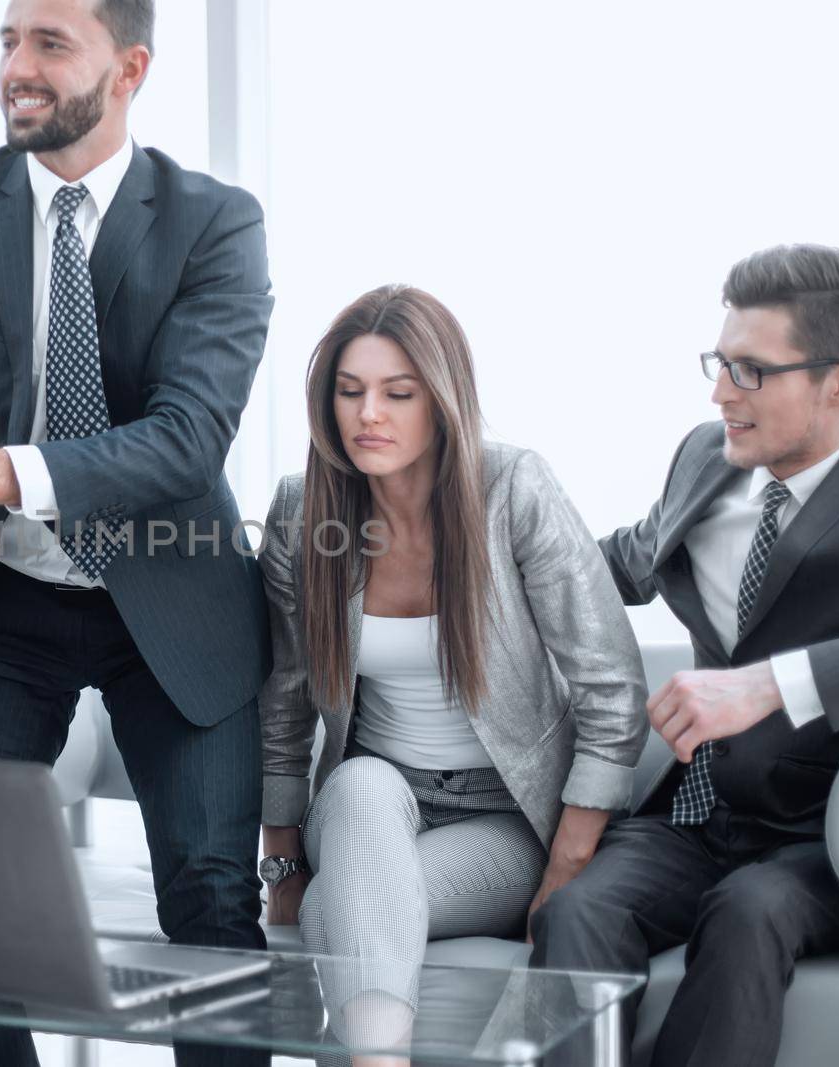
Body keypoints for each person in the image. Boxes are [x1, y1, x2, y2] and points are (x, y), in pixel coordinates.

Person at [0, 0, 272, 1063]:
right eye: (6, 41)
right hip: (3, 604)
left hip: (174, 599)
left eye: (48, 44)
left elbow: (185, 439)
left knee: (211, 902)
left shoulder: (217, 221)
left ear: (127, 69)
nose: (15, 68)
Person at [529, 244, 839, 1067]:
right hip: (694, 816)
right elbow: (628, 558)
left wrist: (771, 685)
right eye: (720, 364)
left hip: (824, 837)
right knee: (577, 912)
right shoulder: (706, 454)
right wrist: (478, 562)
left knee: (748, 913)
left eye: (752, 371)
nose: (722, 392)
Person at [256, 284, 647, 1062]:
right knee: (362, 789)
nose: (370, 413)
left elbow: (614, 692)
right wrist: (283, 861)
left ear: (443, 400)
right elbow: (286, 701)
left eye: (398, 393)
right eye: (350, 391)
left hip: (504, 820)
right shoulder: (305, 515)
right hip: (368, 803)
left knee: (347, 906)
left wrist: (568, 865)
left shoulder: (515, 491)